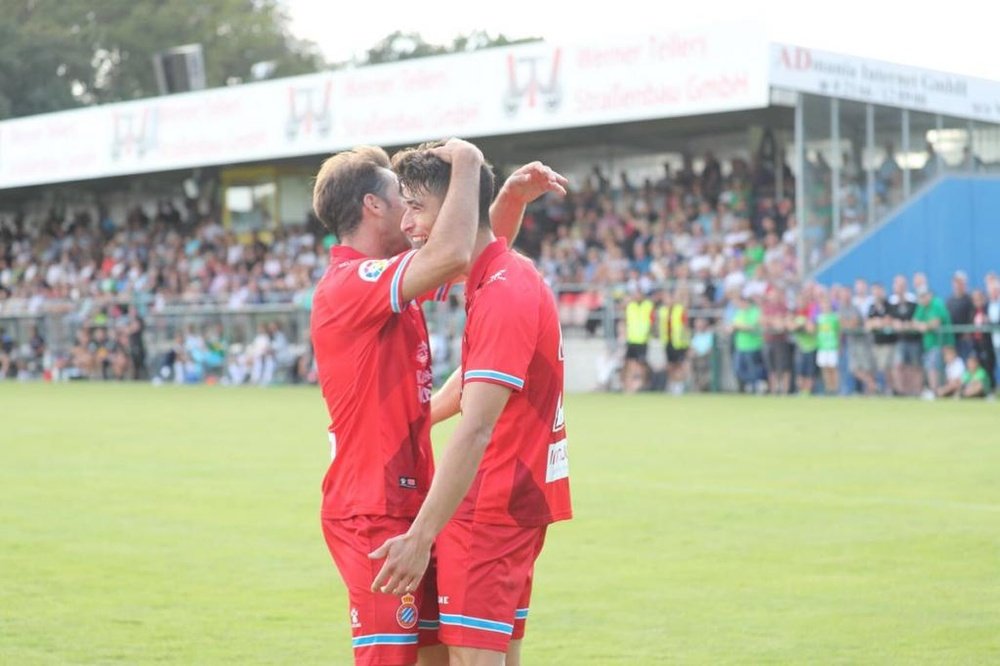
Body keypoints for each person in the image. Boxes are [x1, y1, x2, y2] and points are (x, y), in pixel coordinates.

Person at [310, 139, 567, 666]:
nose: (412, 215)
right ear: (373, 205)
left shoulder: (395, 278)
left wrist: (510, 201)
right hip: (372, 508)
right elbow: (453, 251)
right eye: (402, 198)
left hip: (413, 503)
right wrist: (469, 161)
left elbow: (474, 252)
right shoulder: (349, 283)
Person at [914, 286, 954, 399]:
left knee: (936, 368)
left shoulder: (937, 304)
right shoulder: (922, 306)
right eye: (920, 297)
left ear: (929, 295)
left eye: (924, 296)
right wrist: (923, 325)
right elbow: (915, 321)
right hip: (929, 344)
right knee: (931, 367)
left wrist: (924, 326)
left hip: (943, 343)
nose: (922, 299)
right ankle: (936, 391)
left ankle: (936, 391)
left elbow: (936, 322)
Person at [866, 283, 897, 394]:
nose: (876, 293)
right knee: (876, 368)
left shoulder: (889, 305)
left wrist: (877, 322)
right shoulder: (871, 307)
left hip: (888, 342)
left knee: (886, 367)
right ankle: (877, 389)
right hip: (875, 342)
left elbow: (889, 321)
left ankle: (890, 389)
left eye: (878, 290)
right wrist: (878, 322)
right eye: (874, 291)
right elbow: (868, 324)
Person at [815, 291, 840, 395]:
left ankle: (835, 388)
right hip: (822, 346)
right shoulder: (819, 318)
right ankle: (828, 388)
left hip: (832, 346)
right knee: (824, 368)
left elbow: (839, 332)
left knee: (833, 368)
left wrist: (839, 346)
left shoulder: (835, 317)